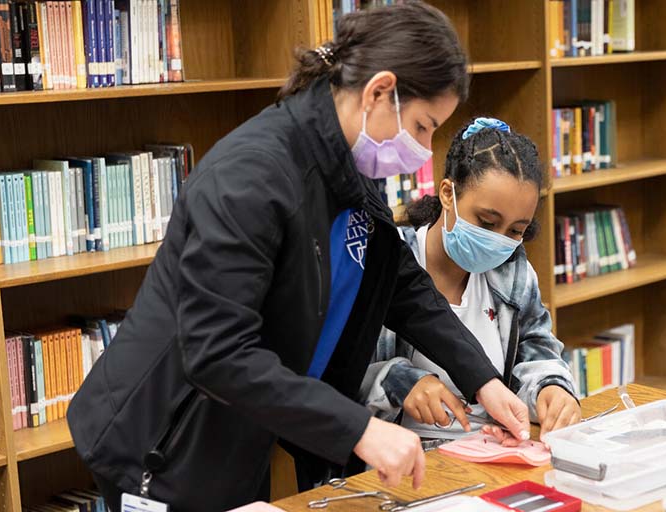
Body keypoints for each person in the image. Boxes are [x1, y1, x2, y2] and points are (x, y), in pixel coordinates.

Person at [66, 4, 533, 511]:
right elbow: (217, 352)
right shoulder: (250, 176)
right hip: (165, 435)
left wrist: (482, 379)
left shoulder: (351, 160)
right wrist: (359, 428)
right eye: (422, 126)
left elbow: (397, 281)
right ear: (379, 93)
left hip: (243, 422)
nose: (424, 147)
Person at [360, 118, 580, 448]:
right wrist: (398, 381)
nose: (498, 241)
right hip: (402, 457)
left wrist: (551, 387)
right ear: (448, 193)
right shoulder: (387, 263)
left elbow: (538, 348)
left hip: (494, 449)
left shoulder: (513, 271)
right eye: (486, 222)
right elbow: (338, 378)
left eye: (516, 230)